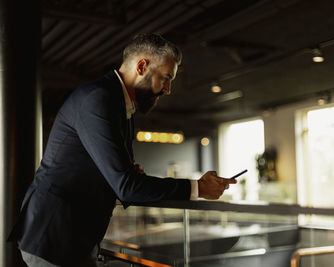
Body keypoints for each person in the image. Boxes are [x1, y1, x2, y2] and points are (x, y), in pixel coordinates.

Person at [8, 33, 236, 266]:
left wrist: (126, 174)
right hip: (55, 238)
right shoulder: (98, 99)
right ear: (142, 66)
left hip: (74, 238)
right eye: (166, 78)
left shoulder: (119, 104)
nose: (167, 89)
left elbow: (119, 177)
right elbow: (127, 186)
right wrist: (197, 187)